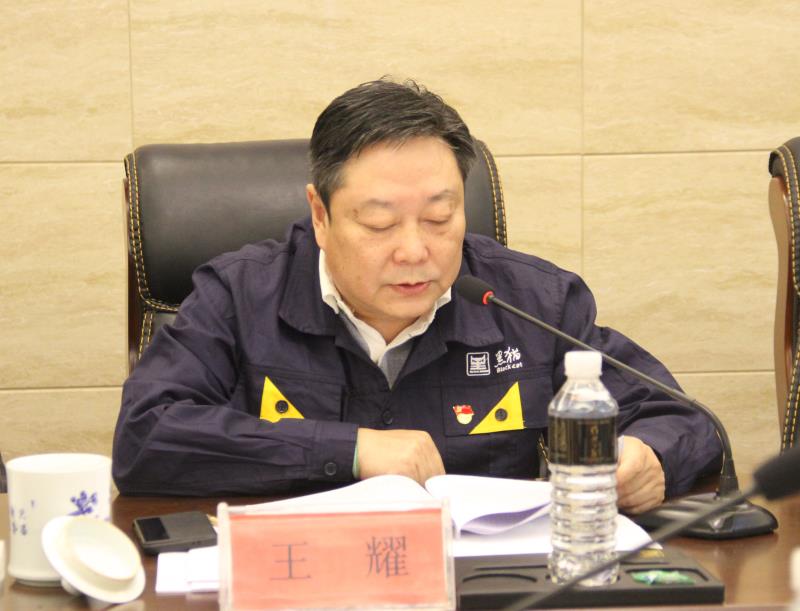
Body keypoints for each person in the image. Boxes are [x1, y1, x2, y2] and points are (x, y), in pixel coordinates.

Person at [112, 78, 721, 513]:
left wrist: (648, 457)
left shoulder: (531, 301)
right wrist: (349, 450)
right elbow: (145, 436)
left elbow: (685, 419)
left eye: (439, 218)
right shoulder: (240, 296)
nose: (413, 251)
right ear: (320, 215)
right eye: (379, 223)